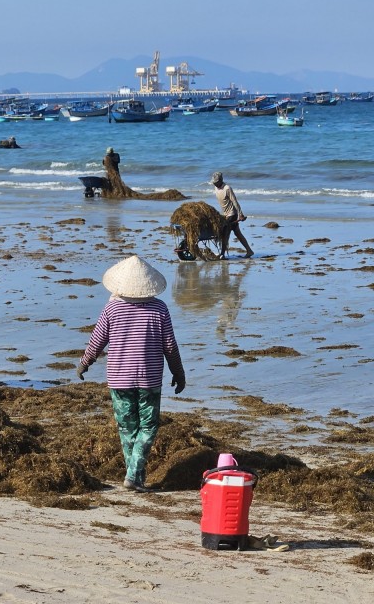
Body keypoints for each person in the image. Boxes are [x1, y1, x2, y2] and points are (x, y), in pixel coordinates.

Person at [77, 255, 186, 492]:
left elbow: (97, 341)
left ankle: (134, 476)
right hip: (149, 379)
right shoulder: (159, 309)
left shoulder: (112, 307)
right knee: (148, 427)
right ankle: (135, 476)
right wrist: (179, 373)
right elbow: (170, 345)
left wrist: (85, 362)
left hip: (119, 379)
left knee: (127, 428)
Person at [211, 171, 253, 258]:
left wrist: (240, 214)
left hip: (232, 215)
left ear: (221, 180)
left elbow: (235, 202)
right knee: (237, 233)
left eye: (217, 182)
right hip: (225, 215)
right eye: (214, 183)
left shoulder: (227, 188)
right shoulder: (216, 188)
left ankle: (222, 254)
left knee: (225, 234)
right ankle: (249, 251)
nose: (215, 184)